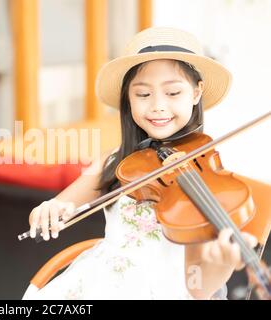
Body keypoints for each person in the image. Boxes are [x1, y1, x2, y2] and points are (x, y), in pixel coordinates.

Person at [24, 27, 258, 300]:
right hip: (99, 284)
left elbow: (198, 287)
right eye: (143, 95)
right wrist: (49, 209)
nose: (157, 106)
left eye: (172, 93)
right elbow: (59, 208)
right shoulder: (115, 162)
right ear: (128, 98)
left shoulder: (206, 178)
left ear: (196, 93)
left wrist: (221, 265)